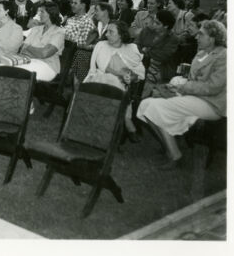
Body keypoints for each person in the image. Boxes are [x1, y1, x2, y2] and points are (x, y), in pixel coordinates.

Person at [137, 20, 226, 169]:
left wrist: (184, 86)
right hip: (196, 98)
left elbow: (214, 87)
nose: (197, 37)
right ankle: (168, 146)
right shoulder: (202, 52)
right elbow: (194, 79)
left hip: (212, 104)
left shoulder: (223, 56)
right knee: (146, 104)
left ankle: (175, 155)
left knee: (156, 106)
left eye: (201, 34)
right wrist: (178, 85)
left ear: (212, 38)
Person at [85, 20, 145, 139]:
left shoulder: (131, 49)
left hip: (121, 84)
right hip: (100, 78)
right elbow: (103, 67)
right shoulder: (102, 45)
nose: (106, 34)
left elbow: (139, 72)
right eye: (107, 31)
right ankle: (126, 121)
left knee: (116, 89)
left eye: (111, 32)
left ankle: (105, 128)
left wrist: (131, 77)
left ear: (121, 35)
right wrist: (121, 74)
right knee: (106, 83)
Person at [14, 2, 66, 83]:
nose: (39, 14)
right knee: (8, 69)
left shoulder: (59, 32)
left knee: (21, 72)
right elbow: (23, 50)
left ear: (51, 13)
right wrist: (36, 51)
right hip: (29, 61)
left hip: (48, 66)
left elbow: (45, 53)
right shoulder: (36, 29)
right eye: (39, 12)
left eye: (42, 12)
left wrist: (28, 48)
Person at [138, 10, 180, 90]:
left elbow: (163, 56)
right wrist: (145, 52)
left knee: (145, 80)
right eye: (154, 21)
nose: (154, 25)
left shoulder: (172, 39)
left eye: (158, 23)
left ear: (166, 26)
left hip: (159, 69)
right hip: (141, 63)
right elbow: (136, 45)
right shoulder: (147, 30)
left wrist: (145, 51)